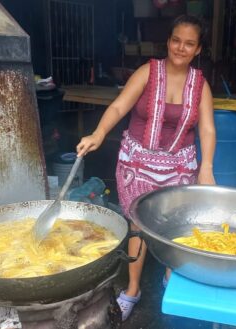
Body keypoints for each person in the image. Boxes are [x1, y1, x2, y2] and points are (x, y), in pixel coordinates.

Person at [76, 15, 216, 321]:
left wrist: (206, 166)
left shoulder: (200, 84)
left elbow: (207, 129)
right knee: (138, 225)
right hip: (137, 164)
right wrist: (98, 134)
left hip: (179, 166)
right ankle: (133, 290)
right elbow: (118, 106)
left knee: (174, 228)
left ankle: (170, 282)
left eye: (189, 43)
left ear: (198, 49)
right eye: (176, 40)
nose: (181, 47)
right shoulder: (148, 72)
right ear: (168, 41)